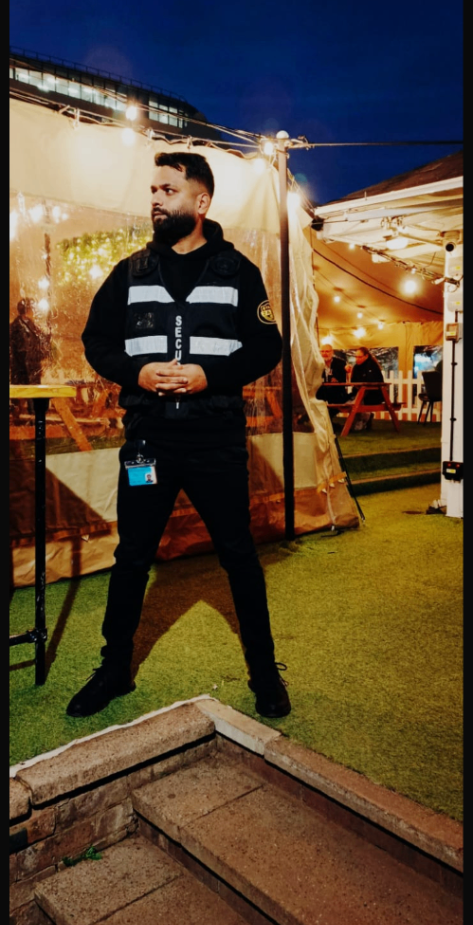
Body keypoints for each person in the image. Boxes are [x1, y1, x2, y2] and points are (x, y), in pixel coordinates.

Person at [66, 151, 291, 721]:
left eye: (168, 190)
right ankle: (114, 670)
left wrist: (210, 375)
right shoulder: (129, 272)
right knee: (132, 557)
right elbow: (97, 341)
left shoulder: (238, 272)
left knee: (239, 556)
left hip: (217, 443)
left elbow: (267, 346)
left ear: (201, 201)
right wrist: (137, 373)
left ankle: (264, 673)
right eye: (153, 190)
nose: (156, 199)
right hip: (149, 443)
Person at [9, 298, 50, 385]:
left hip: (33, 373)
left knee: (34, 393)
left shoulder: (35, 327)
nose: (35, 311)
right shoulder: (13, 328)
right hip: (19, 373)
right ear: (27, 310)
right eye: (33, 308)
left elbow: (41, 347)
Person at [345, 347, 384, 431]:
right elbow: (353, 382)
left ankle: (360, 422)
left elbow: (370, 382)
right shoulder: (356, 367)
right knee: (348, 400)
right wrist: (349, 374)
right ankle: (359, 422)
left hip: (372, 395)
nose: (357, 359)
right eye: (356, 357)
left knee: (357, 401)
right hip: (359, 393)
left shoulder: (372, 366)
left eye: (359, 357)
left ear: (366, 356)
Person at [316, 344, 349, 421]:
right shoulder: (316, 363)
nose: (324, 353)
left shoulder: (340, 363)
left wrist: (337, 380)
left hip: (336, 392)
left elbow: (343, 380)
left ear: (332, 352)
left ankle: (326, 421)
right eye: (322, 351)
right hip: (321, 391)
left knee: (338, 402)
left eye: (327, 351)